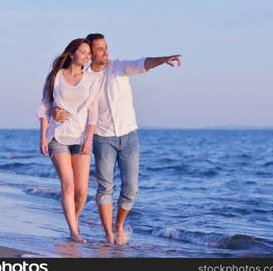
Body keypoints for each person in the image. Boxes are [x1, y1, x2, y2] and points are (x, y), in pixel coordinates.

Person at [50, 33, 181, 244]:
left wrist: (163, 59)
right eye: (100, 49)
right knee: (105, 188)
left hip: (129, 135)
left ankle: (118, 225)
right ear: (91, 53)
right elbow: (70, 102)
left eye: (106, 47)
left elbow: (141, 63)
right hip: (102, 138)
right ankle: (109, 236)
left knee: (131, 189)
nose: (106, 52)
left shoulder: (119, 67)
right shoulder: (85, 78)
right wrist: (55, 112)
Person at [38, 38, 100, 243]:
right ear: (72, 53)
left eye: (89, 53)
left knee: (82, 192)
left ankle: (73, 220)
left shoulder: (91, 80)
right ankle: (74, 233)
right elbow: (45, 107)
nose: (87, 56)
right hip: (58, 136)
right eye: (83, 52)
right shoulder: (56, 76)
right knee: (68, 185)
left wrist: (89, 139)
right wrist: (43, 137)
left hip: (81, 137)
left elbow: (93, 113)